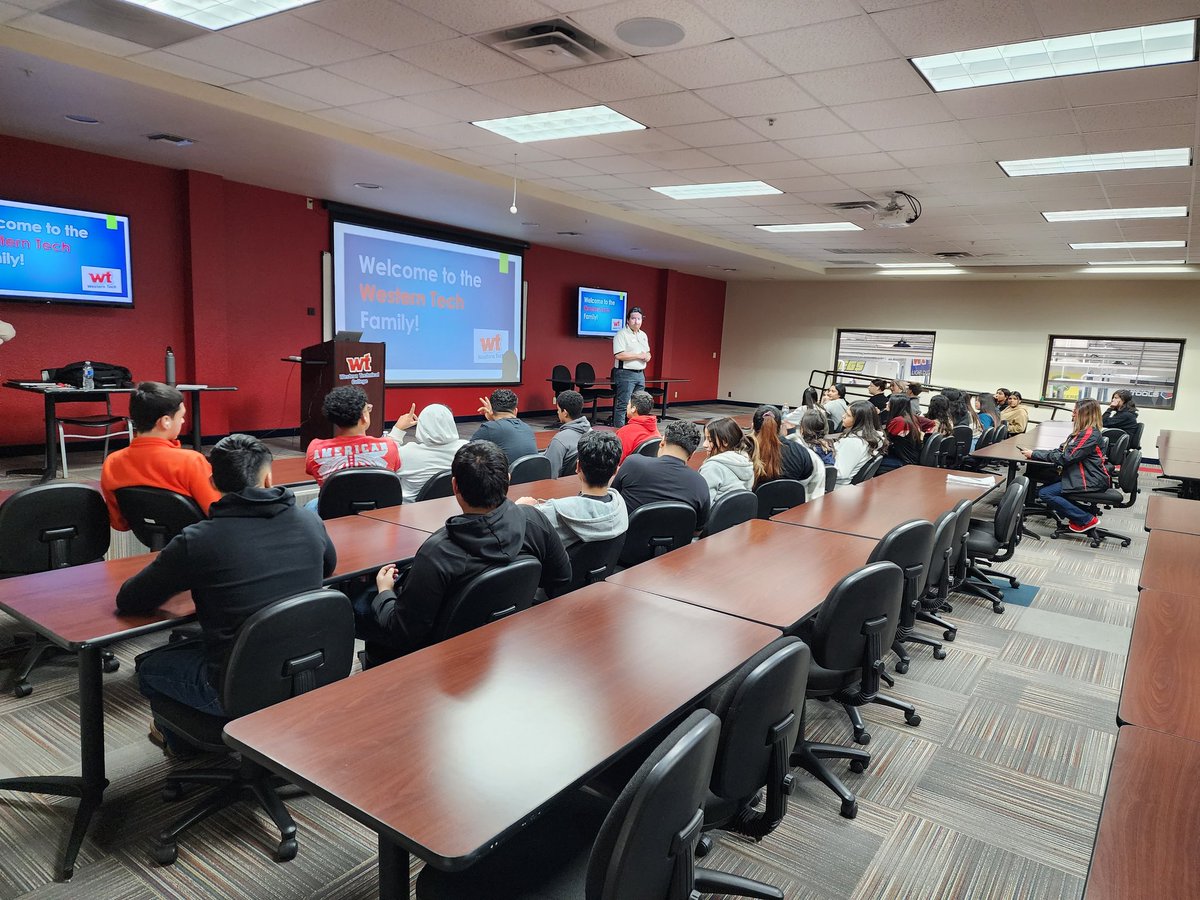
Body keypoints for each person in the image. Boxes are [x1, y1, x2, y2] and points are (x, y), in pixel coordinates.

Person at [115, 434, 336, 747]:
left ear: (213, 482)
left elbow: (130, 600)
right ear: (269, 476)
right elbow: (328, 567)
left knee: (148, 665)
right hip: (309, 668)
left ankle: (180, 743)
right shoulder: (309, 521)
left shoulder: (199, 540)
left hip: (237, 686)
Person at [362, 441, 570, 662]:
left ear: (454, 487)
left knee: (362, 601)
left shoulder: (437, 552)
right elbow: (562, 576)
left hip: (441, 661)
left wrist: (384, 592)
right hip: (506, 645)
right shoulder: (534, 519)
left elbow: (404, 633)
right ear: (508, 482)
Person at [100, 381, 222, 530]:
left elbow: (120, 524)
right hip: (198, 545)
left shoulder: (112, 462)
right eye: (181, 416)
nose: (183, 421)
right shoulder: (191, 461)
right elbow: (219, 515)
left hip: (150, 541)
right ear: (166, 422)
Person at [516, 430, 627, 551]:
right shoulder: (620, 506)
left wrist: (519, 509)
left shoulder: (553, 512)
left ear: (578, 467)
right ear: (616, 470)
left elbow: (511, 529)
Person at [1020, 398, 1110, 533]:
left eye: (1075, 411)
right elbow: (1061, 451)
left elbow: (1066, 457)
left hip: (1089, 479)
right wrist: (1035, 453)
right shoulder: (1080, 432)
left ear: (1085, 414)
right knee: (1043, 487)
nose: (1072, 414)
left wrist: (1034, 455)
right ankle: (1084, 512)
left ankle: (1086, 519)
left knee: (1046, 493)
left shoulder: (1089, 434)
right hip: (1079, 475)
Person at [612, 419, 710, 527]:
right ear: (691, 454)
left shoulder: (633, 463)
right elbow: (699, 528)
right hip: (679, 543)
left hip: (626, 540)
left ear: (662, 442)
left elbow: (612, 499)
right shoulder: (700, 483)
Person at [305, 386, 400, 489]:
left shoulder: (315, 449)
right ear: (363, 417)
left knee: (311, 505)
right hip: (380, 504)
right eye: (367, 409)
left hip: (333, 504)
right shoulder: (389, 446)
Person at [387, 402, 467, 502]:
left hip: (409, 513)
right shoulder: (466, 449)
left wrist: (397, 430)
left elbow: (384, 457)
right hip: (451, 510)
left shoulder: (406, 453)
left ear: (421, 425)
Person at [750, 404, 814, 490]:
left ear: (752, 426)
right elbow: (807, 474)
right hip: (794, 502)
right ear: (780, 427)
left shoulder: (744, 452)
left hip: (755, 503)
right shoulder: (799, 450)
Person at [471, 388, 537, 462]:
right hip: (535, 473)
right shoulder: (527, 428)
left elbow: (466, 454)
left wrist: (491, 419)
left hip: (506, 473)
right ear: (515, 411)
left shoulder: (489, 428)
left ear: (492, 410)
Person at [698, 416, 754, 504]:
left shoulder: (712, 467)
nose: (704, 445)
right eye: (705, 439)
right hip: (739, 516)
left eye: (710, 440)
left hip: (715, 517)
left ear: (725, 441)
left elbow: (703, 505)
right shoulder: (746, 461)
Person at [612, 306, 650, 427]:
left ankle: (634, 430)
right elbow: (619, 355)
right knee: (623, 405)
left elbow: (647, 353)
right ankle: (619, 432)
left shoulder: (643, 335)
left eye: (639, 319)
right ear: (628, 320)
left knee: (639, 405)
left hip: (640, 374)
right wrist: (639, 356)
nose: (636, 321)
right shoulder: (621, 334)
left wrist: (647, 356)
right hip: (625, 374)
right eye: (633, 318)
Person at [834, 400, 888, 485]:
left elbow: (840, 473)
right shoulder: (873, 437)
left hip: (834, 486)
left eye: (848, 415)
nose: (843, 416)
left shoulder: (853, 442)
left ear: (859, 420)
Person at [542, 389, 591, 478]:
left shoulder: (559, 440)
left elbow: (550, 474)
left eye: (558, 409)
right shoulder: (592, 433)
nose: (557, 412)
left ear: (565, 413)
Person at [879, 394, 925, 472]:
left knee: (872, 461)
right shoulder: (910, 417)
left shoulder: (899, 421)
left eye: (889, 402)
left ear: (896, 405)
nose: (886, 403)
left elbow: (885, 440)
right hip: (911, 457)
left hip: (903, 460)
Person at [616, 390, 660, 462]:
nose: (627, 406)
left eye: (628, 404)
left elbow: (618, 460)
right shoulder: (655, 429)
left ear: (633, 409)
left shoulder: (625, 432)